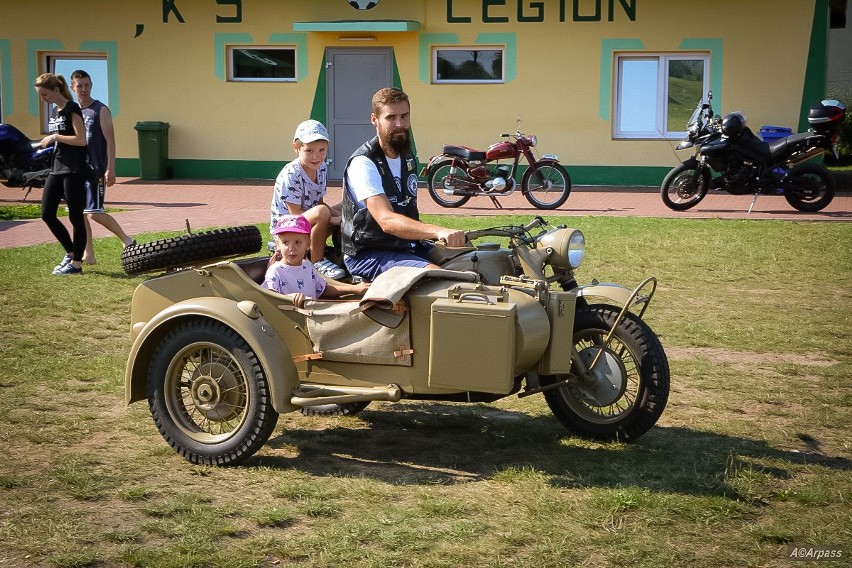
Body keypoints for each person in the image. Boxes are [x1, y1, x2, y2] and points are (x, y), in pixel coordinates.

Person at [341, 87, 464, 282]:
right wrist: (438, 231)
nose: (399, 124)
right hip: (368, 255)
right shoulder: (364, 163)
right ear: (375, 120)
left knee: (471, 261)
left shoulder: (407, 157)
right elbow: (386, 220)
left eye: (404, 116)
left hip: (405, 246)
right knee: (439, 277)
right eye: (391, 118)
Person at [69, 69, 135, 264]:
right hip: (76, 170)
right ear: (73, 88)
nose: (83, 89)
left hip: (95, 170)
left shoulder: (100, 109)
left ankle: (127, 239)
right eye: (79, 86)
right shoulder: (73, 112)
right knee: (79, 214)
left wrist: (110, 168)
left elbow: (110, 141)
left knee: (94, 212)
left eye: (87, 85)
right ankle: (88, 255)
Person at [270, 119, 346, 280]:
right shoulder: (291, 173)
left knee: (346, 206)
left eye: (321, 150)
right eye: (309, 150)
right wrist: (334, 220)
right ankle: (317, 261)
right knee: (323, 213)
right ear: (296, 148)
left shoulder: (322, 167)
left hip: (310, 217)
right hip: (289, 225)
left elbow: (319, 202)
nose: (316, 156)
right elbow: (295, 214)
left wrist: (342, 217)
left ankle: (345, 253)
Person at [34, 73, 88, 275]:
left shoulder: (71, 108)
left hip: (73, 169)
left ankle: (76, 264)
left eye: (45, 94)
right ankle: (71, 252)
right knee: (47, 214)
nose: (43, 99)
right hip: (56, 167)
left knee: (76, 216)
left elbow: (81, 139)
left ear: (56, 90)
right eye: (40, 95)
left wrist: (55, 136)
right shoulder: (55, 111)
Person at [262, 214, 369, 308]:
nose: (291, 248)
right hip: (290, 321)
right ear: (278, 245)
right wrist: (287, 298)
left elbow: (323, 289)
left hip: (312, 318)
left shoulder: (307, 266)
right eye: (285, 242)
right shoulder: (275, 271)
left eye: (298, 242)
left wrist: (355, 289)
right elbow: (268, 296)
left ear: (308, 244)